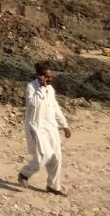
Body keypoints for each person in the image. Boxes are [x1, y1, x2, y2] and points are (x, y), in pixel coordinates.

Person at [18, 62, 72, 196]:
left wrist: (64, 125)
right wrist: (41, 88)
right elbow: (33, 104)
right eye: (47, 77)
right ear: (39, 76)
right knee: (44, 156)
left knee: (56, 157)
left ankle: (53, 186)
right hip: (37, 127)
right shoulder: (31, 87)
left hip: (51, 127)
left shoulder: (51, 89)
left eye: (51, 76)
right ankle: (24, 173)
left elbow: (55, 108)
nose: (50, 79)